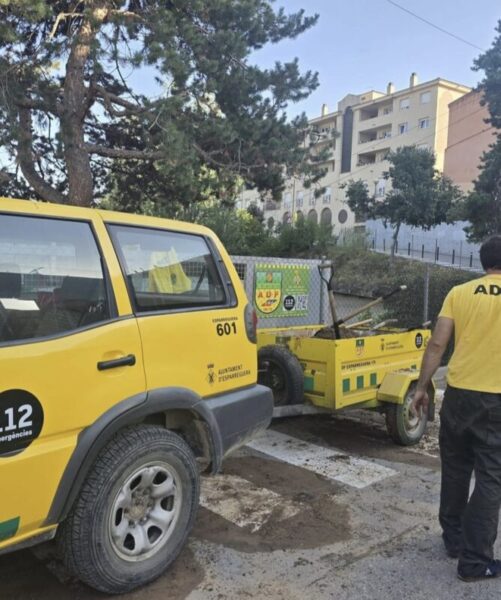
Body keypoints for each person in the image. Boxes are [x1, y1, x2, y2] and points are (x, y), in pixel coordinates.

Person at [413, 235, 501, 582]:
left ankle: (454, 539)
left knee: (456, 466)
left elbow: (437, 343)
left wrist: (422, 387)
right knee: (491, 477)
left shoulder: (460, 293)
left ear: (483, 262)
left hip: (459, 394)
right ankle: (475, 561)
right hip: (496, 398)